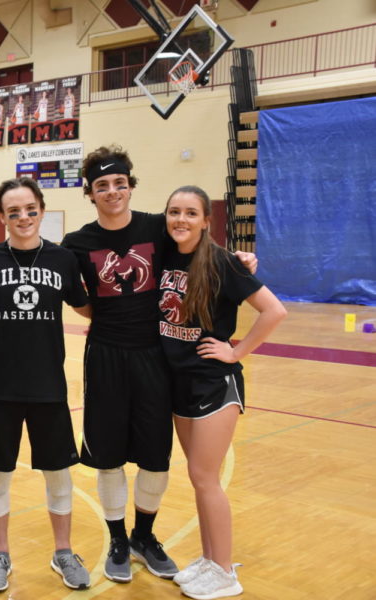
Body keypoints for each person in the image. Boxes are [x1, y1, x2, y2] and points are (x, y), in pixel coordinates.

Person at [60, 145, 256, 585]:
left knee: (155, 456)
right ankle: (115, 540)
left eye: (119, 183)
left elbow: (198, 246)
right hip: (106, 358)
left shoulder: (157, 227)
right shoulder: (77, 244)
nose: (112, 192)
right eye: (102, 186)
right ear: (89, 194)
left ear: (130, 185)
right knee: (107, 456)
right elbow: (82, 304)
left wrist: (238, 260)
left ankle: (143, 537)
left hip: (156, 357)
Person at [159, 186, 285, 600]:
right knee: (199, 480)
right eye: (174, 212)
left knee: (204, 477)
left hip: (214, 384)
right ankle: (211, 559)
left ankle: (225, 572)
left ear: (205, 220)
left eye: (190, 213)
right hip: (178, 382)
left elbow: (274, 310)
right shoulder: (166, 256)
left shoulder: (223, 262)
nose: (181, 220)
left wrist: (237, 351)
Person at [0, 177, 92, 593]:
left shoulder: (62, 260)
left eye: (29, 209)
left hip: (49, 386)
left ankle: (63, 552)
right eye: (13, 211)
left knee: (58, 472)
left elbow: (89, 306)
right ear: (1, 216)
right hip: (0, 387)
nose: (22, 217)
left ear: (41, 210)